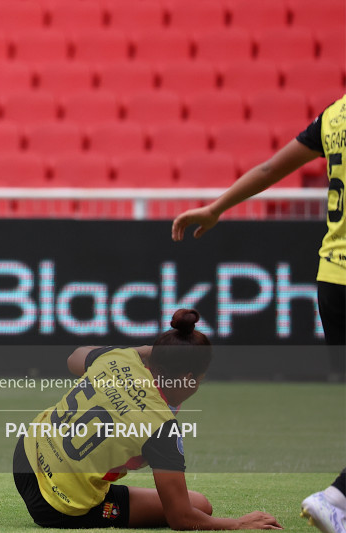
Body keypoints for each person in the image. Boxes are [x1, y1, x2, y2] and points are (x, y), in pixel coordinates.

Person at [172, 95, 346, 533]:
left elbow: (270, 169)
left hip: (334, 279)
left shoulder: (336, 114)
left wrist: (217, 206)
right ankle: (337, 497)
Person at [13, 309, 282, 529]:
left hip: (25, 456)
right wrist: (237, 524)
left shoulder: (119, 357)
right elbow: (181, 518)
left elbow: (74, 358)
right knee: (200, 506)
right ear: (188, 379)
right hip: (57, 507)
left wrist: (137, 351)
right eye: (200, 381)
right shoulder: (162, 427)